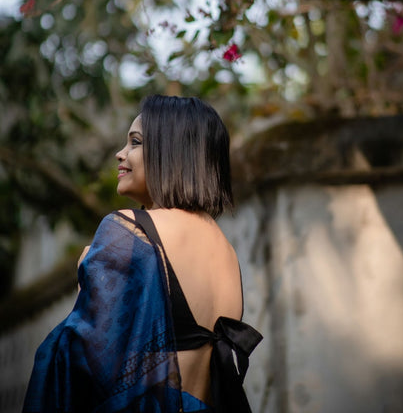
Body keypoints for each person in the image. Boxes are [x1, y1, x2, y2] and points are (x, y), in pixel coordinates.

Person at [23, 95, 262, 413]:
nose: (120, 154)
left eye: (135, 142)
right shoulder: (225, 251)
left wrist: (87, 286)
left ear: (171, 151)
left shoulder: (129, 227)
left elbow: (85, 361)